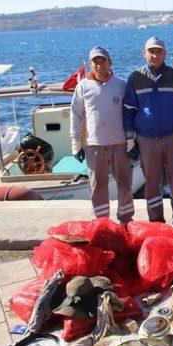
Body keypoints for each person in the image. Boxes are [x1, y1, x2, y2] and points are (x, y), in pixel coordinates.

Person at [123, 36, 173, 229]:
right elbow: (129, 111)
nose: (155, 55)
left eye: (159, 51)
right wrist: (129, 140)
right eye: (151, 51)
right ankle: (156, 224)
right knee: (152, 182)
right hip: (146, 139)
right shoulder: (135, 79)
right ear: (144, 53)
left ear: (165, 53)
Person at [70, 46, 134, 224]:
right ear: (90, 64)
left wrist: (131, 140)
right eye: (95, 62)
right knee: (98, 186)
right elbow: (76, 116)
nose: (99, 65)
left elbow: (130, 114)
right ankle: (101, 223)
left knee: (125, 184)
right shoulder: (82, 87)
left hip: (120, 144)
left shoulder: (121, 85)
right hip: (94, 146)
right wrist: (76, 144)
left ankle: (126, 220)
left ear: (110, 62)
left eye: (102, 61)